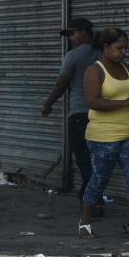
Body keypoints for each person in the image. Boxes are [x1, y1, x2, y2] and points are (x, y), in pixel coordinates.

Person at [77, 27, 129, 240]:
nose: (123, 52)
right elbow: (94, 102)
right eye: (119, 48)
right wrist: (127, 102)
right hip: (102, 137)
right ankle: (84, 223)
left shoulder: (126, 68)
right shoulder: (94, 71)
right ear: (105, 47)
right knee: (98, 180)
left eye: (126, 48)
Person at [41, 18, 103, 213]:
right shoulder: (104, 54)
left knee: (85, 161)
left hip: (81, 116)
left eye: (73, 33)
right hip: (103, 115)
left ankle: (91, 201)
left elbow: (61, 84)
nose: (70, 37)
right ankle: (93, 198)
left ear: (84, 33)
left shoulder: (73, 56)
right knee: (99, 160)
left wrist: (47, 104)